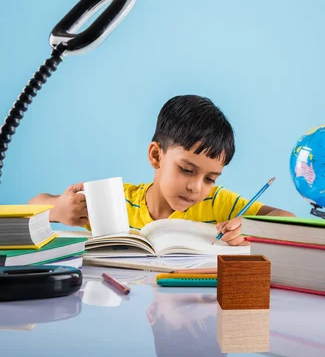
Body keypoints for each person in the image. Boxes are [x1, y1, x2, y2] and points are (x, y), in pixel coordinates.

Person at [29, 95, 295, 245]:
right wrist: (59, 210)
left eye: (210, 179)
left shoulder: (220, 203)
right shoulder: (115, 200)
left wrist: (250, 227)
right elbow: (33, 206)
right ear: (156, 155)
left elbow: (288, 218)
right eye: (187, 170)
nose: (197, 187)